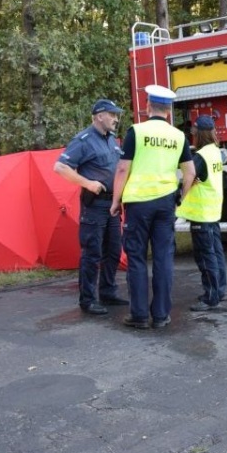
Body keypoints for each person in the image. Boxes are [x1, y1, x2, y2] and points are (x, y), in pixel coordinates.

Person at [111, 85, 195, 330]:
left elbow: (123, 168)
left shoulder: (136, 132)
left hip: (138, 204)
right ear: (168, 112)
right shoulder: (179, 136)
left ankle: (138, 315)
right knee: (163, 258)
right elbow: (189, 172)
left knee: (136, 257)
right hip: (165, 203)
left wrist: (116, 201)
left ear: (147, 107)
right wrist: (181, 196)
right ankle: (160, 315)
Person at [54, 98, 129, 316]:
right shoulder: (84, 140)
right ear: (99, 116)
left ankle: (108, 292)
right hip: (94, 205)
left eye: (117, 115)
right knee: (92, 253)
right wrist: (87, 183)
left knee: (113, 251)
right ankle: (87, 300)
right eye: (112, 114)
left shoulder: (111, 140)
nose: (116, 119)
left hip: (112, 204)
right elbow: (60, 166)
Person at [176, 115, 227, 311]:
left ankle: (210, 297)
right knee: (216, 253)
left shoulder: (200, 156)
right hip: (213, 211)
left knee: (205, 257)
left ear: (199, 133)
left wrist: (181, 194)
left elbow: (189, 176)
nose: (192, 134)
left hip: (201, 214)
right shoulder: (215, 151)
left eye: (194, 131)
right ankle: (219, 290)